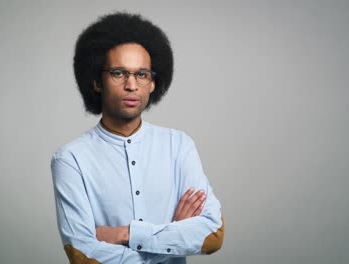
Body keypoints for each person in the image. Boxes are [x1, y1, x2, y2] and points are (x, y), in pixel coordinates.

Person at [51, 12, 224, 264]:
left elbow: (212, 234)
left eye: (142, 74)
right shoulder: (70, 159)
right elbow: (82, 255)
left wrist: (127, 234)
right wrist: (173, 236)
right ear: (98, 82)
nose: (132, 85)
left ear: (153, 83)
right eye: (119, 73)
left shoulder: (178, 146)